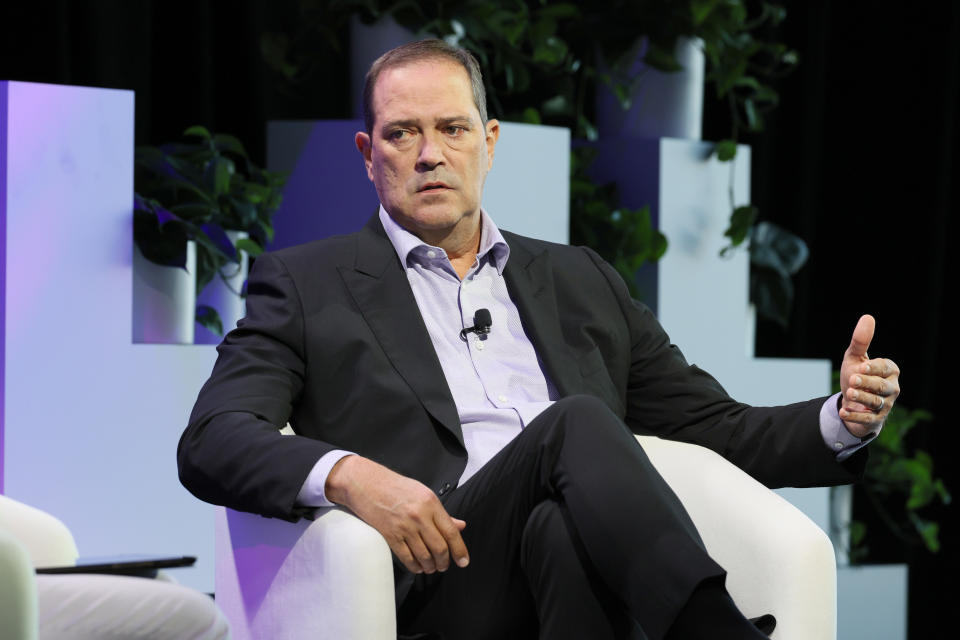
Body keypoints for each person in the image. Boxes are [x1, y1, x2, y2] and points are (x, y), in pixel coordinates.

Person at [178, 39, 901, 639]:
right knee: (576, 422)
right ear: (369, 154)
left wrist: (842, 419)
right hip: (438, 579)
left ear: (489, 144)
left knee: (559, 527)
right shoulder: (307, 284)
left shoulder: (579, 278)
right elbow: (213, 439)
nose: (430, 153)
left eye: (453, 129)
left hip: (564, 567)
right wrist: (351, 476)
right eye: (403, 133)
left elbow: (714, 427)